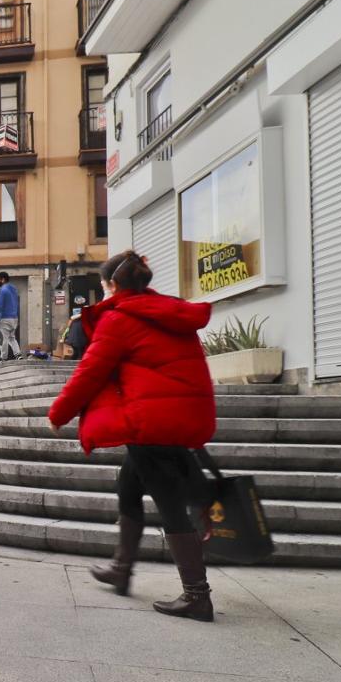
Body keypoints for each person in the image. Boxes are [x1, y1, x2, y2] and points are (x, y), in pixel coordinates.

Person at [48, 250, 217, 621]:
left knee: (169, 503)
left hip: (151, 420)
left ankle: (196, 594)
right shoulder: (169, 312)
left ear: (111, 286)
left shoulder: (120, 319)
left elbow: (90, 372)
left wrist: (59, 413)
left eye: (104, 287)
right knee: (129, 484)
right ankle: (121, 568)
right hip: (178, 413)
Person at [0, 271, 21, 359]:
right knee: (12, 338)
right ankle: (18, 355)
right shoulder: (14, 289)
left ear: (3, 279)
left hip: (5, 318)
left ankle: (3, 359)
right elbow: (16, 304)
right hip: (14, 318)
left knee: (3, 339)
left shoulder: (3, 289)